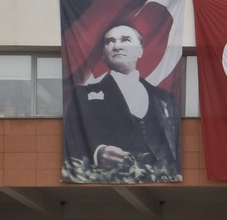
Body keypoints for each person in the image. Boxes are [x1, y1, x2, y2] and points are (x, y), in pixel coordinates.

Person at [63, 22, 182, 177]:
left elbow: (175, 143)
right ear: (104, 54)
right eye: (110, 41)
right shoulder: (82, 95)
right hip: (108, 179)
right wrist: (97, 153)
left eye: (125, 40)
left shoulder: (165, 99)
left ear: (140, 51)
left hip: (161, 179)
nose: (117, 46)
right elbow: (71, 137)